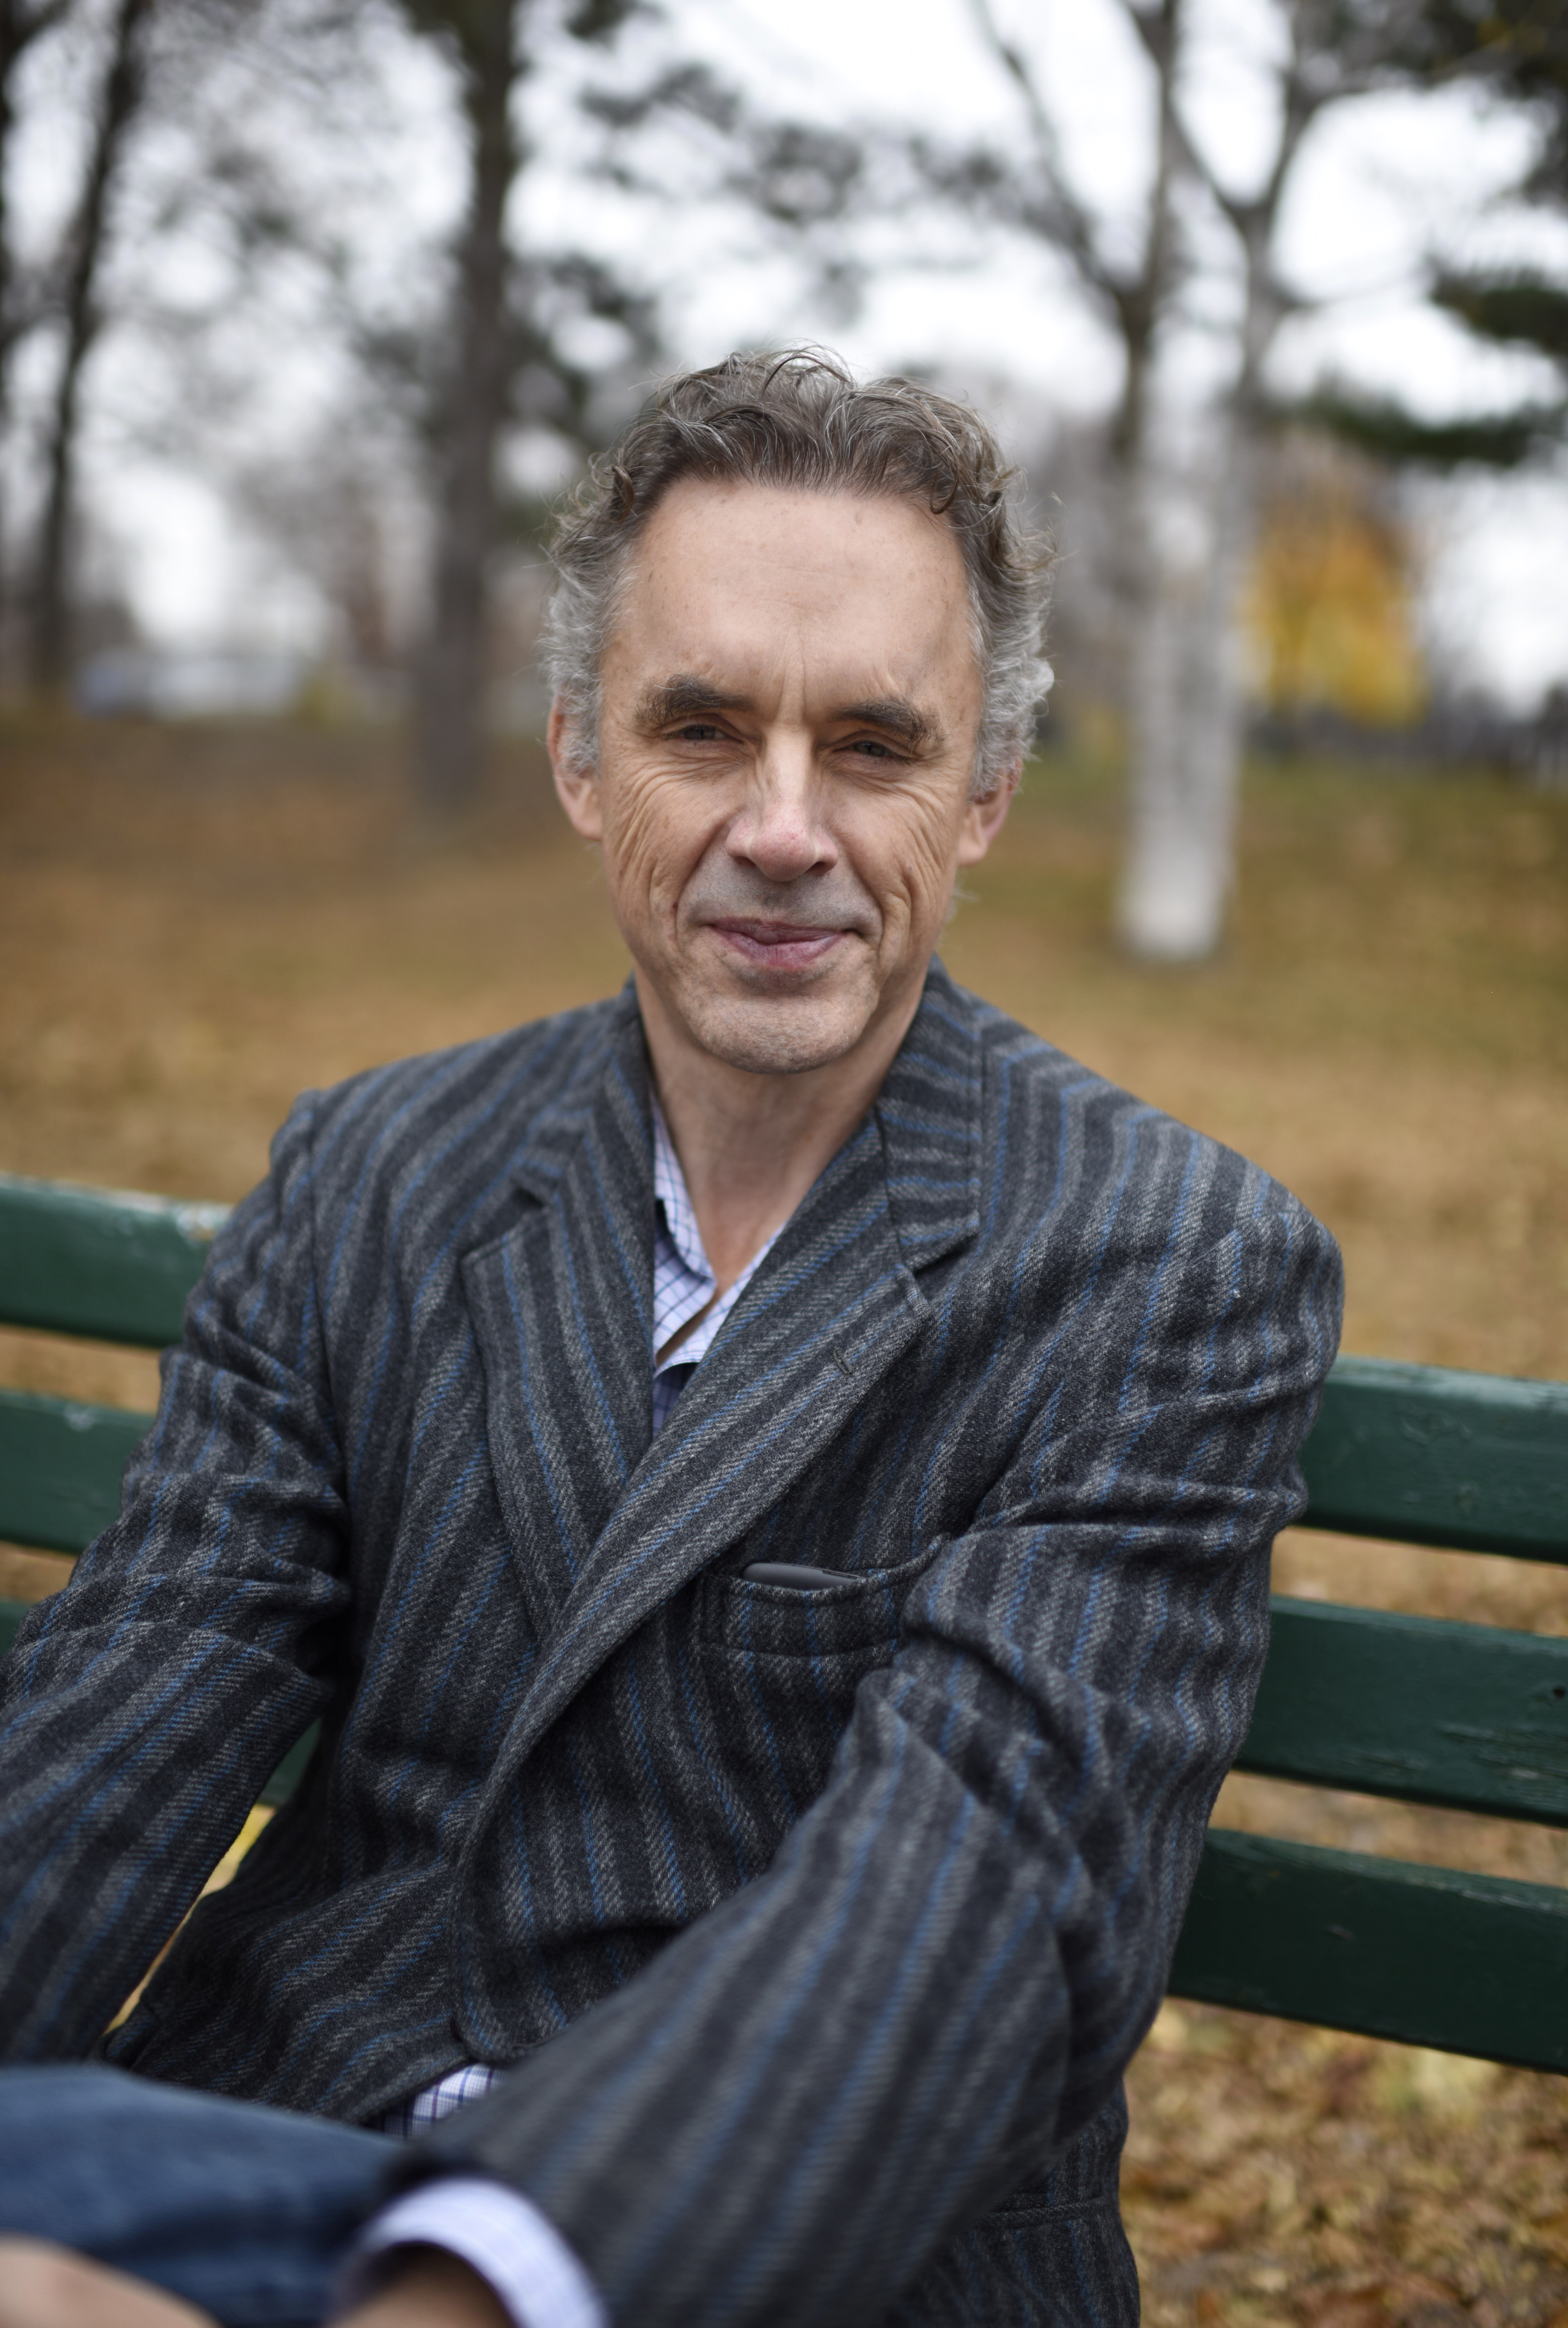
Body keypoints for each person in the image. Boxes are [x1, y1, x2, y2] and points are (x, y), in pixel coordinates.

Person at [0, 351, 1341, 2328]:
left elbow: (974, 1890)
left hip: (795, 2259)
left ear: (982, 794)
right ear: (580, 760)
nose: (783, 829)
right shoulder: (376, 1173)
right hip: (261, 2149)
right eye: (700, 730)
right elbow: (129, 1702)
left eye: (873, 747)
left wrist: (477, 2290)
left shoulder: (1163, 1265)